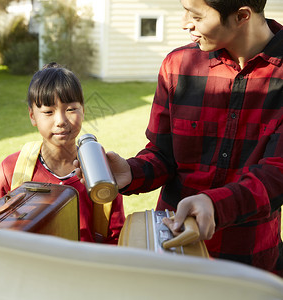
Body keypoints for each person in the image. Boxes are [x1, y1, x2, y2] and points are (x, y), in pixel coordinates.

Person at [77, 0, 282, 275]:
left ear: (241, 16)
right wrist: (131, 171)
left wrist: (215, 204)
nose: (184, 22)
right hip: (171, 249)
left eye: (196, 15)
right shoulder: (177, 64)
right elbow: (164, 153)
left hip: (247, 260)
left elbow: (276, 174)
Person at [0, 63, 125, 244]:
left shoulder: (101, 174)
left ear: (83, 111)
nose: (60, 121)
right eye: (48, 112)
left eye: (70, 109)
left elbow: (116, 239)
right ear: (32, 116)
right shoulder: (12, 170)